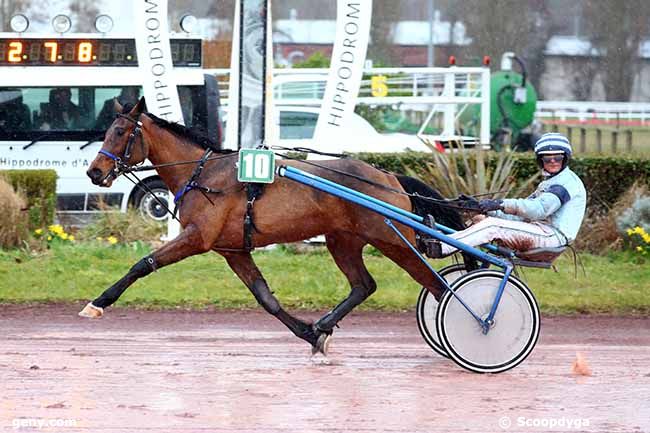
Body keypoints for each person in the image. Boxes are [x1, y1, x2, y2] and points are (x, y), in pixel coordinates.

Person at [428, 132, 587, 258]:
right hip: (540, 230)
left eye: (558, 157)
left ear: (565, 158)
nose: (552, 161)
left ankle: (443, 247)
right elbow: (520, 217)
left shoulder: (565, 184)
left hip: (552, 236)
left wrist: (500, 203)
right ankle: (450, 245)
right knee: (480, 220)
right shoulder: (549, 183)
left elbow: (538, 210)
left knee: (491, 226)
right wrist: (481, 208)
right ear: (540, 160)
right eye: (547, 158)